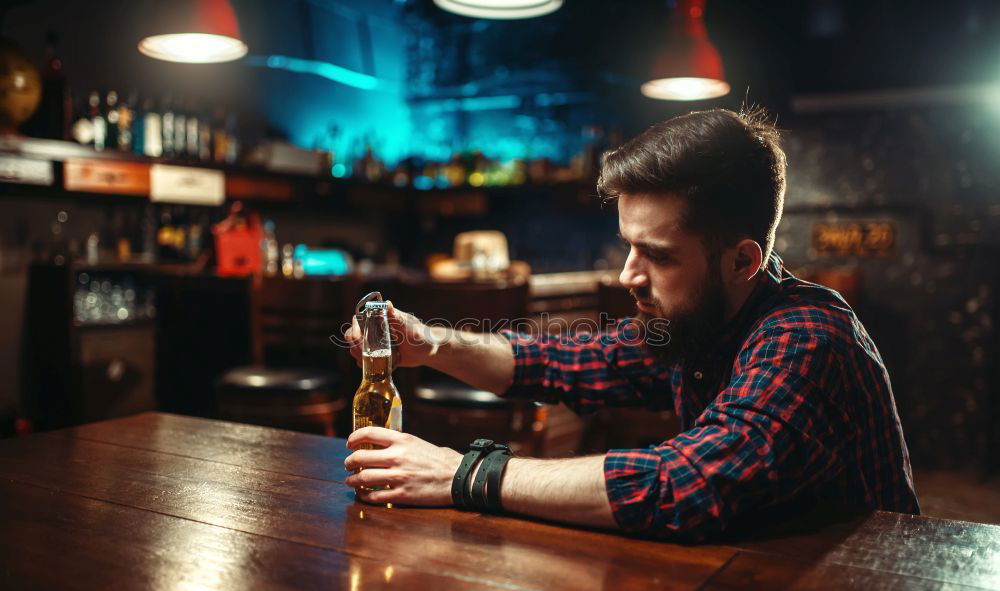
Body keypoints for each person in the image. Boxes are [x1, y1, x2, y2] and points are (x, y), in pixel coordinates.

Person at [344, 108, 920, 542]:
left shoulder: (807, 335)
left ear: (744, 260)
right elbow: (557, 361)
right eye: (627, 247)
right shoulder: (697, 321)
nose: (628, 276)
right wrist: (432, 343)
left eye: (659, 255)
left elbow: (685, 484)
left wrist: (460, 474)